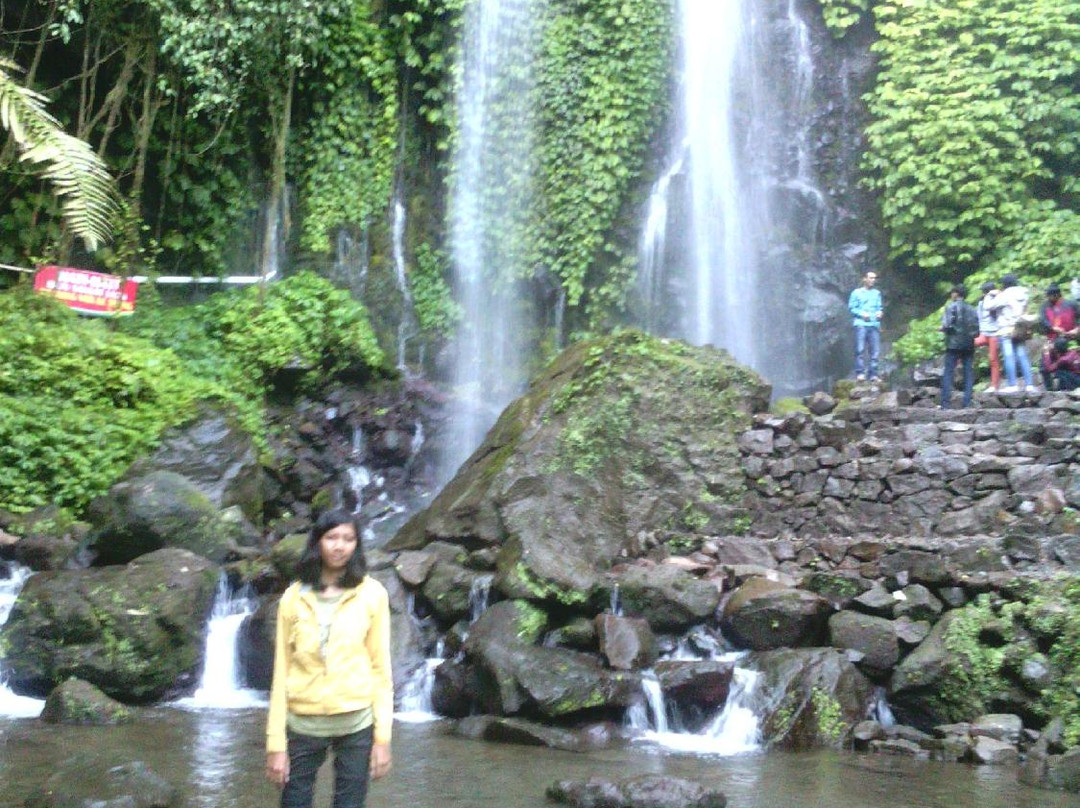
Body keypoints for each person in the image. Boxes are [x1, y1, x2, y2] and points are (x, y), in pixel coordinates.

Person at [266, 509, 393, 808]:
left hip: (356, 723)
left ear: (357, 545)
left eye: (348, 539)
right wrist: (275, 744)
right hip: (303, 724)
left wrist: (383, 739)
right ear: (318, 542)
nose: (339, 546)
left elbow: (380, 670)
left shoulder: (372, 594)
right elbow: (281, 672)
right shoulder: (293, 597)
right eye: (331, 537)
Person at [988, 273, 1037, 393]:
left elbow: (990, 306)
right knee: (1022, 355)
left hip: (1006, 328)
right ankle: (1029, 384)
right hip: (1019, 328)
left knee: (1009, 356)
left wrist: (991, 295)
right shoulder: (1023, 293)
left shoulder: (1004, 295)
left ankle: (1012, 384)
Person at [940, 284, 978, 408]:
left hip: (953, 344)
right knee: (968, 372)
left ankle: (945, 404)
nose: (951, 295)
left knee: (948, 372)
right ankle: (967, 403)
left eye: (952, 292)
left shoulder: (950, 307)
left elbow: (947, 325)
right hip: (968, 344)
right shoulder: (972, 309)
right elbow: (976, 330)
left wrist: (943, 330)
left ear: (956, 294)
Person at [1038, 282, 1079, 388]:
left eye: (1050, 296)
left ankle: (1071, 386)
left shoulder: (1071, 304)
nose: (1048, 298)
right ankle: (1049, 389)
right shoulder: (1045, 306)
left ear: (1057, 295)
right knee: (1044, 366)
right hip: (1053, 340)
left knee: (1070, 365)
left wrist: (1077, 329)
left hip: (1070, 339)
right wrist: (1052, 328)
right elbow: (1042, 320)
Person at [848, 270, 883, 381]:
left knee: (875, 351)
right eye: (871, 278)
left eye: (874, 278)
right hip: (861, 324)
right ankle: (860, 373)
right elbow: (851, 308)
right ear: (864, 279)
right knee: (860, 349)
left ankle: (873, 374)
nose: (873, 280)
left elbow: (879, 307)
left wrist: (880, 312)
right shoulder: (856, 293)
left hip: (874, 324)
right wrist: (862, 314)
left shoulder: (877, 293)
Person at [975, 281, 1001, 392]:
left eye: (984, 292)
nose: (982, 294)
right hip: (984, 333)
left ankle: (994, 385)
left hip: (994, 333)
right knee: (967, 344)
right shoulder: (981, 303)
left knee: (993, 359)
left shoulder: (996, 301)